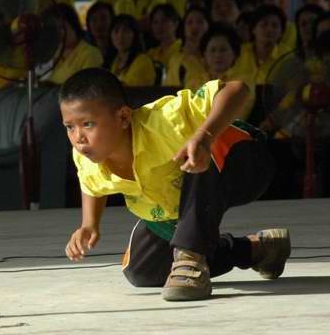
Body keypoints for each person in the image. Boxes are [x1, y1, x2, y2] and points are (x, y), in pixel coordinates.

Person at [60, 67, 291, 301]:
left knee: (195, 151)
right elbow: (91, 184)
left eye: (87, 124)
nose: (78, 137)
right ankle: (258, 249)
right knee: (142, 270)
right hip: (177, 206)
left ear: (122, 117)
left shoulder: (165, 120)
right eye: (70, 127)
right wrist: (89, 224)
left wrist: (204, 137)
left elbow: (237, 89)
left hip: (244, 160)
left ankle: (190, 255)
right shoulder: (85, 155)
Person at [47, 4, 103, 85]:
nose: (58, 33)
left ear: (73, 26)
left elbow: (86, 89)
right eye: (54, 29)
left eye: (62, 27)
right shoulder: (51, 53)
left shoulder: (90, 54)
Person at [164, 6, 209, 87]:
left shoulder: (216, 56)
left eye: (200, 22)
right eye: (189, 22)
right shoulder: (176, 59)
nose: (194, 26)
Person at [109, 14, 156, 86]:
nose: (120, 36)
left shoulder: (143, 61)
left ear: (135, 35)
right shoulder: (116, 60)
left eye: (126, 31)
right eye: (116, 31)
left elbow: (132, 90)